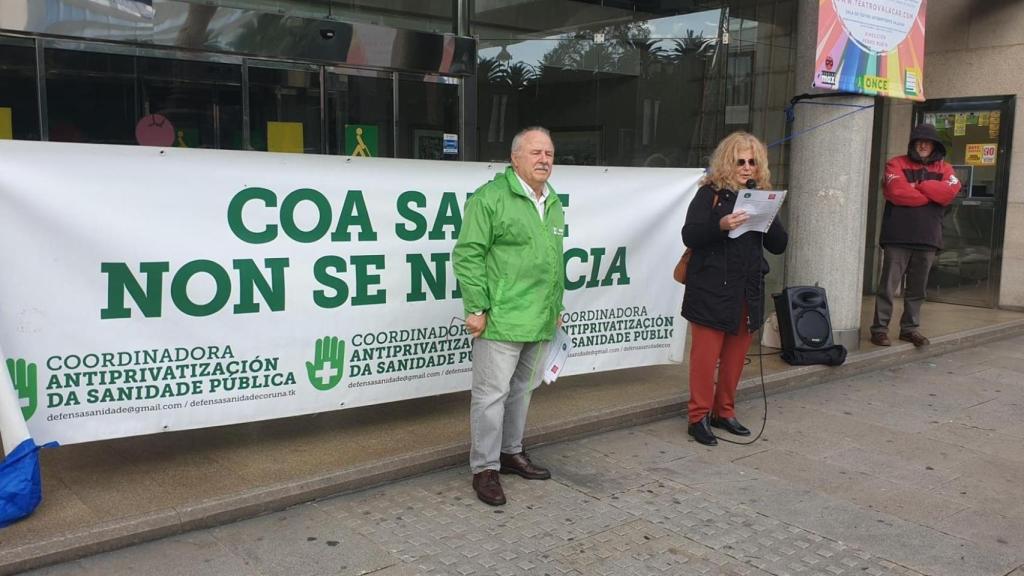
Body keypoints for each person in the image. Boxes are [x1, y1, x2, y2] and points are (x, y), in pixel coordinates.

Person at [452, 127, 565, 505]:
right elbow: (468, 255)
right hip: (501, 318)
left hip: (540, 317)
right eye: (535, 152)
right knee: (491, 396)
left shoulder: (552, 200)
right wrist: (476, 308)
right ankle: (484, 468)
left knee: (522, 391)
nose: (544, 159)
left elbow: (553, 259)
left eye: (548, 153)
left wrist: (556, 307)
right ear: (514, 158)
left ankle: (510, 452)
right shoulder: (490, 199)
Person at [681, 132, 788, 446]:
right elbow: (690, 235)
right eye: (740, 161)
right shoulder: (710, 193)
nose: (746, 168)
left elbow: (780, 245)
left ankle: (723, 411)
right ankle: (697, 417)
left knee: (735, 357)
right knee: (705, 356)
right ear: (728, 161)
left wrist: (768, 217)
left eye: (752, 162)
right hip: (710, 287)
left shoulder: (761, 194)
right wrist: (722, 225)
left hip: (747, 288)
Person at [870, 124, 960, 348]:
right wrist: (931, 194)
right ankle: (880, 329)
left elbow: (949, 192)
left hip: (928, 237)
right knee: (888, 287)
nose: (923, 145)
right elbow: (897, 192)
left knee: (917, 289)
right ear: (912, 144)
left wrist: (919, 185)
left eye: (927, 142)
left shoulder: (946, 168)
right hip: (897, 236)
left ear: (934, 146)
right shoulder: (895, 163)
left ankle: (909, 329)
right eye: (919, 141)